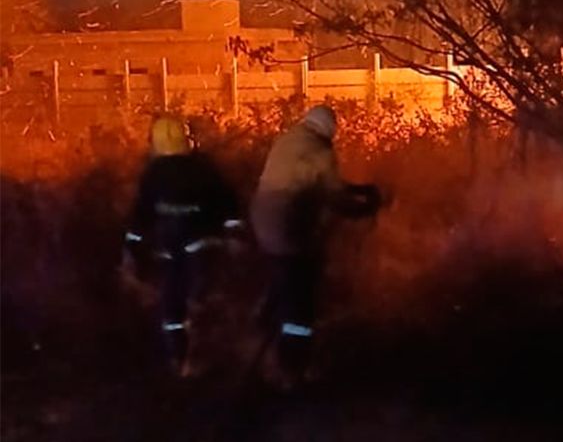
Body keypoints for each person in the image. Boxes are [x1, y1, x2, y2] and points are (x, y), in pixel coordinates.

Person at [250, 103, 380, 384]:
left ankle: (261, 321)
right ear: (330, 130)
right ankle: (291, 366)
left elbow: (317, 181)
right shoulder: (322, 151)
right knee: (300, 301)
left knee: (282, 275)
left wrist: (358, 189)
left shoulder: (288, 139)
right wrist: (365, 209)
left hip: (262, 221)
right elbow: (333, 198)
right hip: (288, 228)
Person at [122, 115, 243, 374]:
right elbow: (227, 202)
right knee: (202, 300)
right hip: (202, 247)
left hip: (167, 251)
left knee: (172, 307)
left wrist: (131, 248)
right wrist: (234, 236)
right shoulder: (202, 168)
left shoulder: (153, 173)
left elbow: (141, 215)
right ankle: (209, 355)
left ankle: (179, 359)